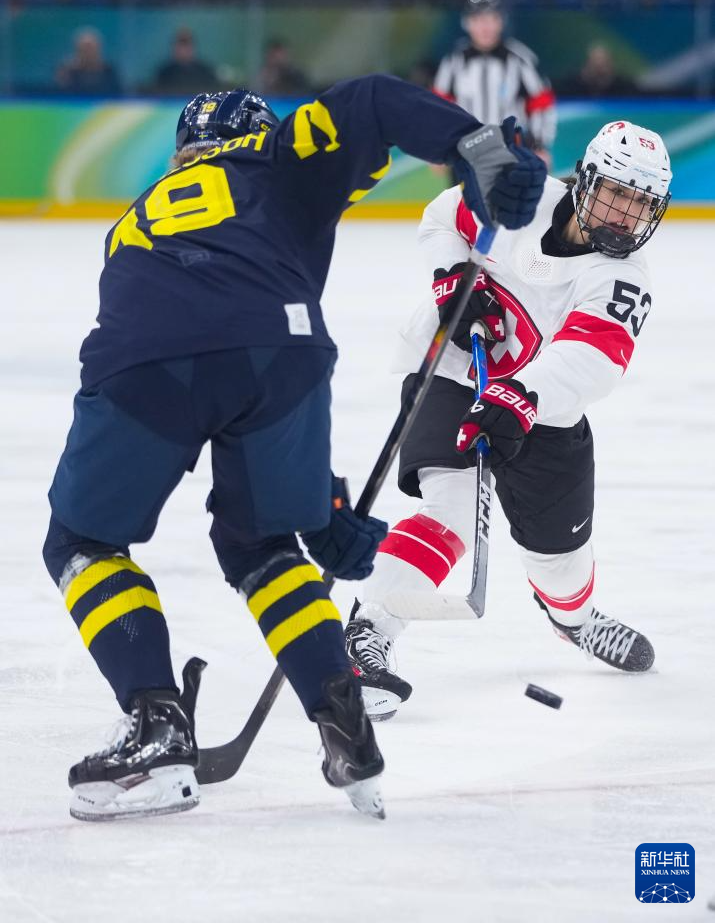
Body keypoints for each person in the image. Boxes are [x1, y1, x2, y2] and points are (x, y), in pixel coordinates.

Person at [42, 75, 547, 821]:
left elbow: (190, 332)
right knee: (262, 545)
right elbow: (372, 101)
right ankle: (345, 721)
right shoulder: (279, 153)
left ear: (184, 152)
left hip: (149, 356)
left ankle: (156, 724)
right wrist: (475, 146)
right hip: (286, 349)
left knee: (81, 541)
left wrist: (323, 502)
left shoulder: (134, 219)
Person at [345, 120, 672, 721]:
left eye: (641, 204)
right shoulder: (522, 198)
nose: (627, 215)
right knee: (450, 512)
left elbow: (593, 358)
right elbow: (443, 218)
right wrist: (452, 281)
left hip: (543, 409)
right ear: (585, 181)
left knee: (560, 559)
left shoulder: (624, 279)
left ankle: (574, 621)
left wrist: (522, 394)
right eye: (617, 194)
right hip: (453, 372)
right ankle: (369, 633)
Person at [434, 0, 556, 166]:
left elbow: (541, 103)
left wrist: (540, 145)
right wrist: (439, 147)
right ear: (467, 23)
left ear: (501, 22)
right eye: (478, 20)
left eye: (492, 19)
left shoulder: (520, 59)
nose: (485, 27)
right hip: (466, 154)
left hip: (513, 153)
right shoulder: (453, 61)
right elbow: (439, 107)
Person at [151, 27, 221, 96]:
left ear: (193, 47)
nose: (183, 50)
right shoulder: (164, 74)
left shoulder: (206, 73)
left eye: (186, 45)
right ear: (174, 47)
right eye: (180, 45)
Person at [558, 43, 640, 98]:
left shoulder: (624, 88)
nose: (599, 72)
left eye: (604, 65)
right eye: (595, 66)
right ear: (586, 65)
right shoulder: (571, 87)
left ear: (611, 65)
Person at [55, 27, 120, 95]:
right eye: (84, 49)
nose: (88, 53)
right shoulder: (68, 71)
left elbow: (120, 94)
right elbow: (57, 95)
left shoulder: (109, 71)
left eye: (91, 49)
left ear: (98, 49)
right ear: (77, 50)